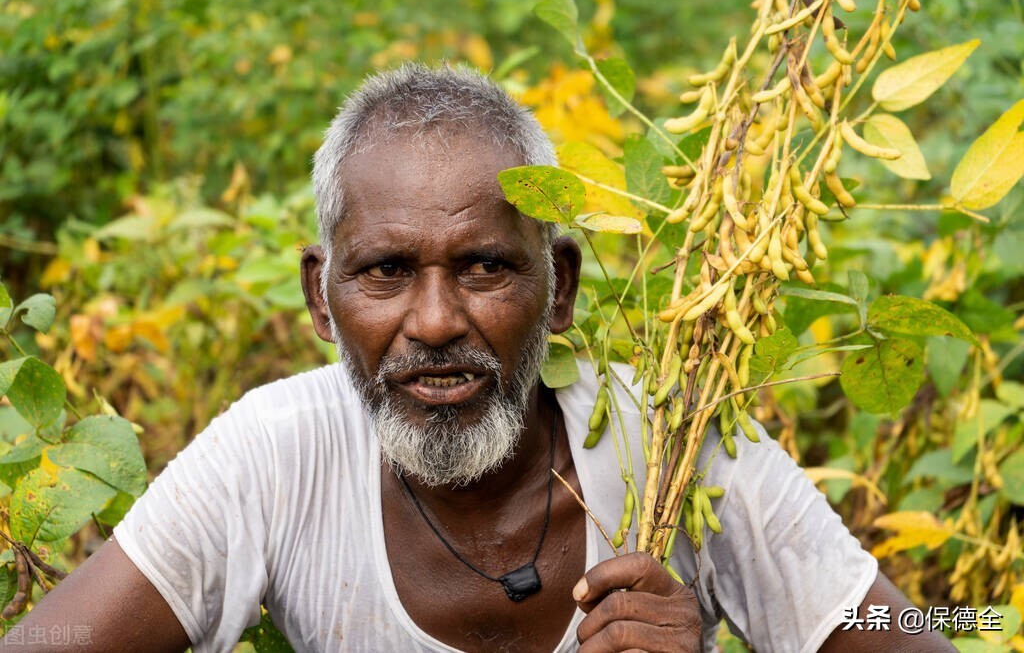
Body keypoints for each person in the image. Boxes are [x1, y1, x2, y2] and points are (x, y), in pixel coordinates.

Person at [7, 64, 952, 653]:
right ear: (319, 298)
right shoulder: (273, 453)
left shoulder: (668, 435)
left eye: (487, 267)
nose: (434, 321)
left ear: (563, 286)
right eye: (383, 271)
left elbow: (941, 631)